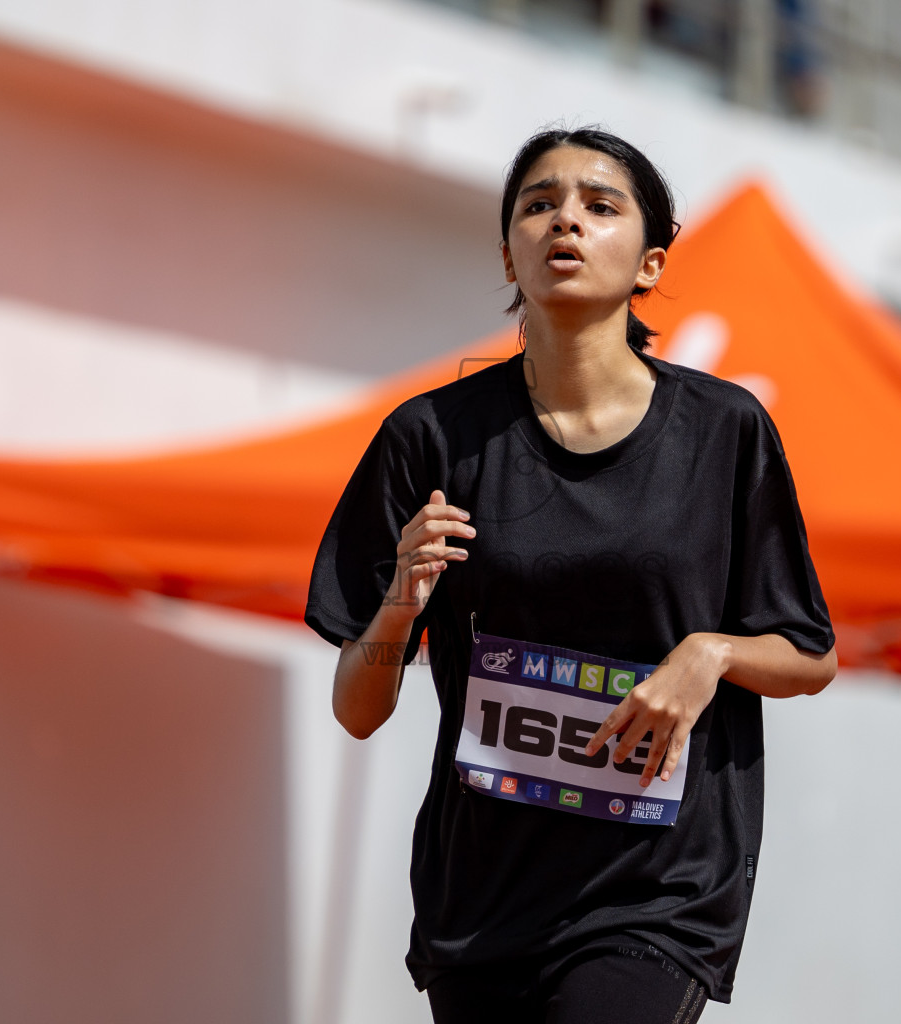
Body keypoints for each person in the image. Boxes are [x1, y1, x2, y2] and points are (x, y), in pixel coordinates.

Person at [305, 126, 836, 1023]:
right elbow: (358, 709)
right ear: (508, 254)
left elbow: (809, 656)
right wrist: (403, 597)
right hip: (483, 895)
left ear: (650, 264)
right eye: (539, 204)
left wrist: (707, 655)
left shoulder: (724, 432)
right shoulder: (430, 437)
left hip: (654, 892)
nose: (566, 222)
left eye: (600, 205)